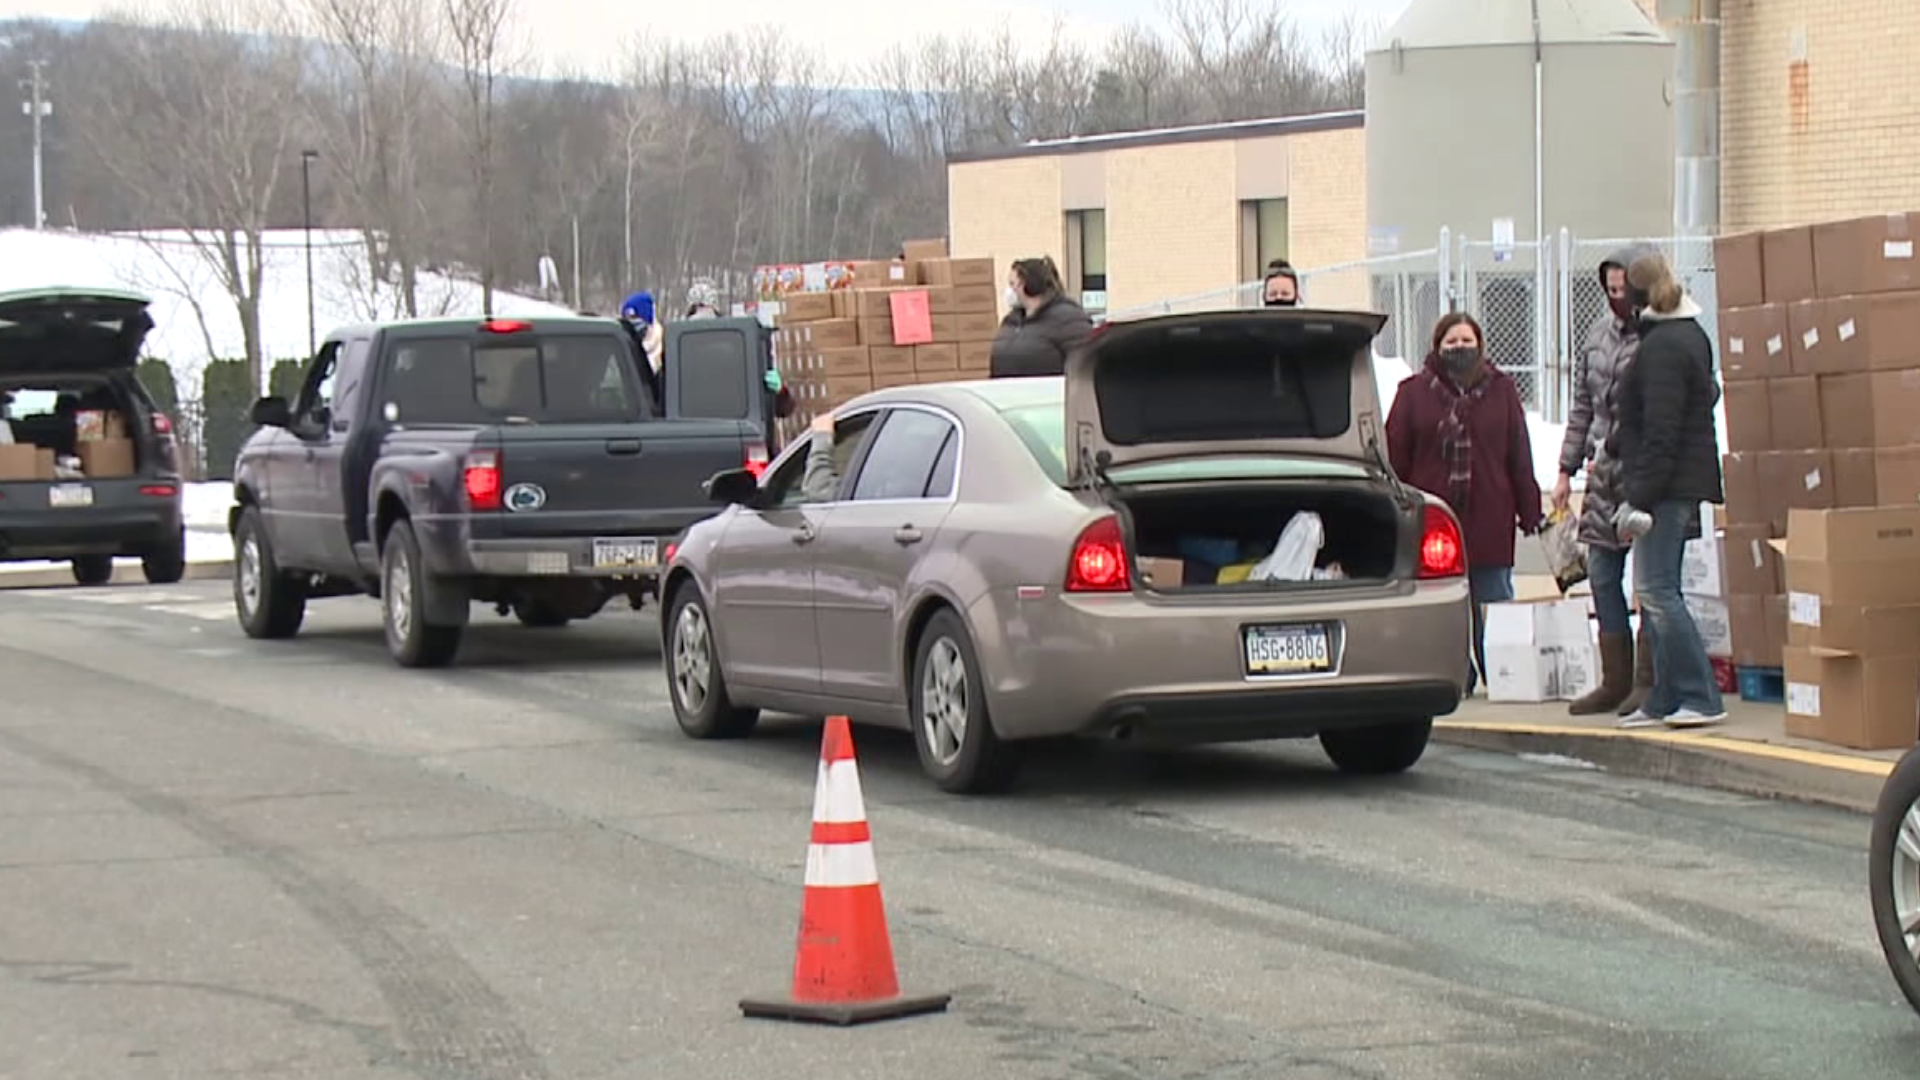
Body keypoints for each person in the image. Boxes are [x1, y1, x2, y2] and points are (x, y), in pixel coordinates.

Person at [1386, 312, 1544, 696]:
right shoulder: (1413, 393)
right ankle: (1455, 674)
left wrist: (1530, 507)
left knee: (1493, 599)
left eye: (1466, 341)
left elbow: (1518, 453)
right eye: (1451, 342)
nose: (1460, 348)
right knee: (1445, 603)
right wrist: (1397, 510)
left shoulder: (1502, 390)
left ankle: (1502, 673)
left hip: (1490, 512)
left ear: (1480, 344)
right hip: (1435, 519)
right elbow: (1396, 457)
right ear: (1437, 347)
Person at [1606, 250, 1727, 729]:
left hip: (1665, 484)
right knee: (1657, 592)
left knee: (1657, 591)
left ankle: (1699, 694)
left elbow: (1662, 428)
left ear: (1636, 298)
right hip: (1677, 479)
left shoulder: (1663, 346)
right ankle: (1663, 697)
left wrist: (1640, 495)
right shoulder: (1685, 335)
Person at [1554, 244, 1658, 717]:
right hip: (1602, 471)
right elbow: (1582, 406)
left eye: (1624, 288)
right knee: (1601, 573)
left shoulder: (1661, 333)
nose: (1617, 297)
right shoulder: (1597, 336)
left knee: (1652, 580)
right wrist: (1565, 467)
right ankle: (1614, 678)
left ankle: (1648, 678)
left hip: (1643, 468)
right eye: (1610, 289)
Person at [989, 256, 1094, 378]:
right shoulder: (1011, 321)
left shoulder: (1068, 320)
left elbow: (1086, 364)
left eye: (1012, 284)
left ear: (1027, 284)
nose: (1009, 290)